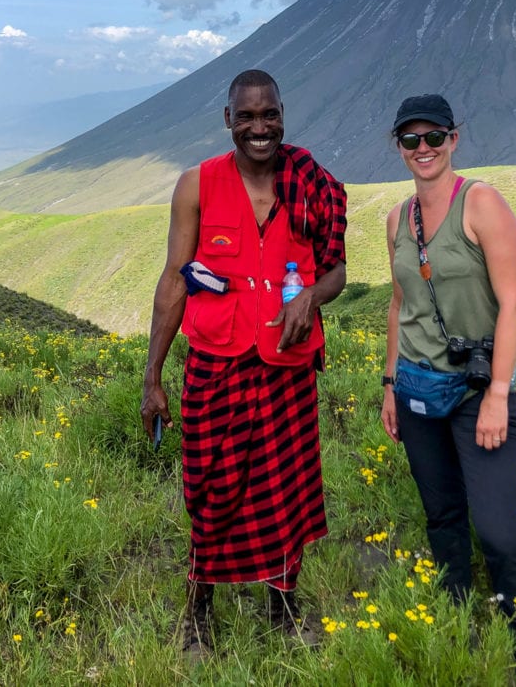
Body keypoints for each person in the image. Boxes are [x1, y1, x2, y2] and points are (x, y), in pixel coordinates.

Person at [141, 69, 347, 659]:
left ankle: (283, 607)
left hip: (284, 369)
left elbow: (336, 270)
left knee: (286, 493)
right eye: (248, 116)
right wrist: (153, 377)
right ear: (228, 120)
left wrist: (311, 295)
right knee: (212, 491)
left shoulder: (311, 185)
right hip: (216, 365)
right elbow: (174, 282)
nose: (261, 127)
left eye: (271, 114)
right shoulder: (198, 185)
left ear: (283, 114)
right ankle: (199, 612)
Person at [379, 94, 516, 685]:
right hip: (416, 387)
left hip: (479, 390)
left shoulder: (480, 203)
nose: (424, 149)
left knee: (501, 533)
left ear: (455, 140)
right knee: (442, 515)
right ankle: (456, 617)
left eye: (435, 137)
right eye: (412, 140)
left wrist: (497, 395)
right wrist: (388, 384)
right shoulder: (397, 219)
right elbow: (400, 303)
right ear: (398, 147)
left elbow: (514, 300)